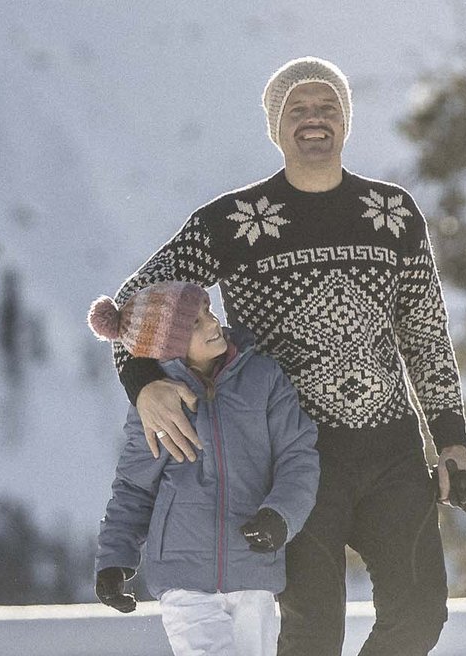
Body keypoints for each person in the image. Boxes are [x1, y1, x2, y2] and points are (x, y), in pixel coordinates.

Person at [106, 57, 466, 655]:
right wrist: (144, 382)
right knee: (312, 633)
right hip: (291, 460)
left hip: (391, 452)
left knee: (420, 616)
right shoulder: (232, 221)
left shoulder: (392, 214)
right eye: (297, 109)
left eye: (327, 107)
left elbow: (426, 334)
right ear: (276, 128)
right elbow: (132, 306)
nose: (314, 120)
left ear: (346, 122)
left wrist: (451, 439)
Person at [92, 281, 320, 656]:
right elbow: (135, 487)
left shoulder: (262, 378)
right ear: (169, 343)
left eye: (208, 312)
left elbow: (298, 456)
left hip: (254, 569)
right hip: (184, 580)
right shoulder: (157, 403)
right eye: (195, 323)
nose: (213, 323)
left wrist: (281, 515)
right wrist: (114, 559)